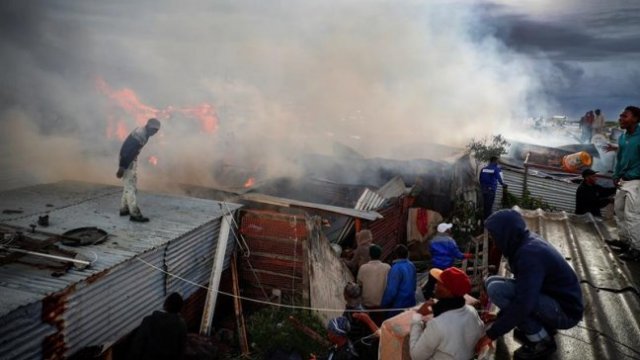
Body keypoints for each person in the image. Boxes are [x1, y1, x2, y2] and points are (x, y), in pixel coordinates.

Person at [477, 210, 584, 360]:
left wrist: (491, 334)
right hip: (552, 299)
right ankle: (538, 327)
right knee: (491, 282)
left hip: (565, 312)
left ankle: (542, 341)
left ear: (505, 233)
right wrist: (499, 317)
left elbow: (524, 303)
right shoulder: (523, 242)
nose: (493, 240)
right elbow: (524, 289)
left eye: (495, 236)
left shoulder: (529, 256)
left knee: (497, 290)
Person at [409, 267, 484, 360]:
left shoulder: (437, 324)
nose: (435, 285)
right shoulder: (472, 311)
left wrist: (418, 316)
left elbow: (416, 356)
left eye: (439, 283)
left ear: (448, 291)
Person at [610, 106, 640, 262]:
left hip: (636, 181)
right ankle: (624, 241)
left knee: (632, 215)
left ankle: (636, 249)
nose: (620, 118)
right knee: (619, 211)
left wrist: (632, 174)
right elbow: (620, 158)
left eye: (625, 116)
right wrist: (616, 174)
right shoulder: (623, 137)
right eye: (620, 115)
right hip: (623, 180)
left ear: (635, 118)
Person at [117, 118, 161, 222]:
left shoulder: (145, 133)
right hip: (127, 160)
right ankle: (135, 214)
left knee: (129, 185)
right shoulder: (140, 135)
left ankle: (124, 208)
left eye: (156, 131)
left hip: (131, 159)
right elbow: (126, 151)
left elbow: (133, 151)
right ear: (148, 127)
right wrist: (122, 167)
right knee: (131, 187)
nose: (155, 133)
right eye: (154, 130)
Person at [129, 292, 188, 360]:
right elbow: (181, 351)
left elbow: (137, 346)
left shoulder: (148, 320)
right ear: (180, 309)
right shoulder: (181, 325)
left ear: (165, 304)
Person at [421, 223, 472, 299]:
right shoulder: (450, 241)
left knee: (430, 285)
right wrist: (466, 256)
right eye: (448, 229)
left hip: (435, 267)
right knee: (447, 287)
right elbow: (457, 254)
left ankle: (428, 299)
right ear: (446, 231)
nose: (450, 230)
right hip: (447, 268)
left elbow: (430, 252)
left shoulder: (432, 241)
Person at [380, 244, 417, 318]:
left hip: (398, 307)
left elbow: (391, 291)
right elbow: (414, 286)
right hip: (411, 304)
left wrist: (383, 304)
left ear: (395, 255)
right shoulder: (411, 265)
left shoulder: (396, 268)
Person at [357, 244, 391, 325]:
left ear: (369, 255)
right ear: (380, 255)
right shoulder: (387, 267)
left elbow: (359, 285)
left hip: (367, 306)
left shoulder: (363, 268)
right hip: (382, 306)